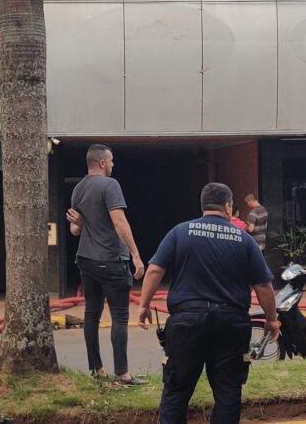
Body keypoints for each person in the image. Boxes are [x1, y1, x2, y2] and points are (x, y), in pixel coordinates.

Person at [138, 183, 280, 424]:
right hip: (231, 323)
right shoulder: (244, 239)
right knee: (228, 391)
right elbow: (263, 286)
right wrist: (272, 320)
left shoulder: (179, 232)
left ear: (203, 206)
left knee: (176, 390)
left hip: (186, 323)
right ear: (227, 206)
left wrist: (143, 305)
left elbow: (154, 270)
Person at [66, 144, 146, 385]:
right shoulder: (111, 185)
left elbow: (74, 229)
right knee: (120, 316)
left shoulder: (78, 189)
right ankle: (122, 374)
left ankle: (96, 370)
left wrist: (82, 221)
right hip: (112, 259)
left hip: (86, 260)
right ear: (102, 163)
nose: (113, 165)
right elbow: (119, 222)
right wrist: (135, 254)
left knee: (92, 314)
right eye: (111, 161)